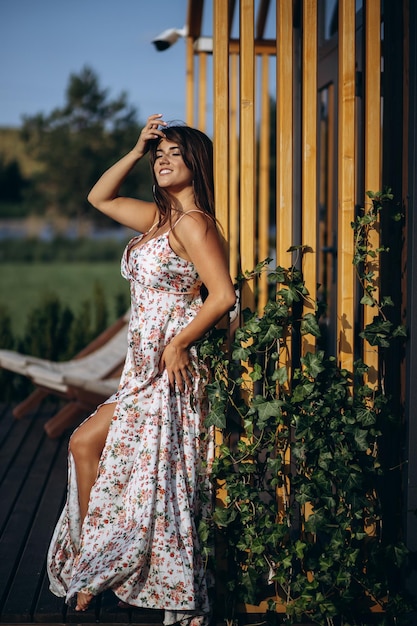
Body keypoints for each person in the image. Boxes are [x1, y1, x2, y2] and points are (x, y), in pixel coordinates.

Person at [47, 114, 236, 625]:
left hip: (169, 371)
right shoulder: (159, 220)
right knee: (87, 446)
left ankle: (96, 571)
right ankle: (97, 565)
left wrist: (179, 344)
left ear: (196, 164)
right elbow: (99, 198)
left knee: (92, 447)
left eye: (174, 153)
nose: (163, 159)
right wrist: (134, 150)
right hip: (141, 371)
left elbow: (222, 296)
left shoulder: (195, 225)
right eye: (159, 154)